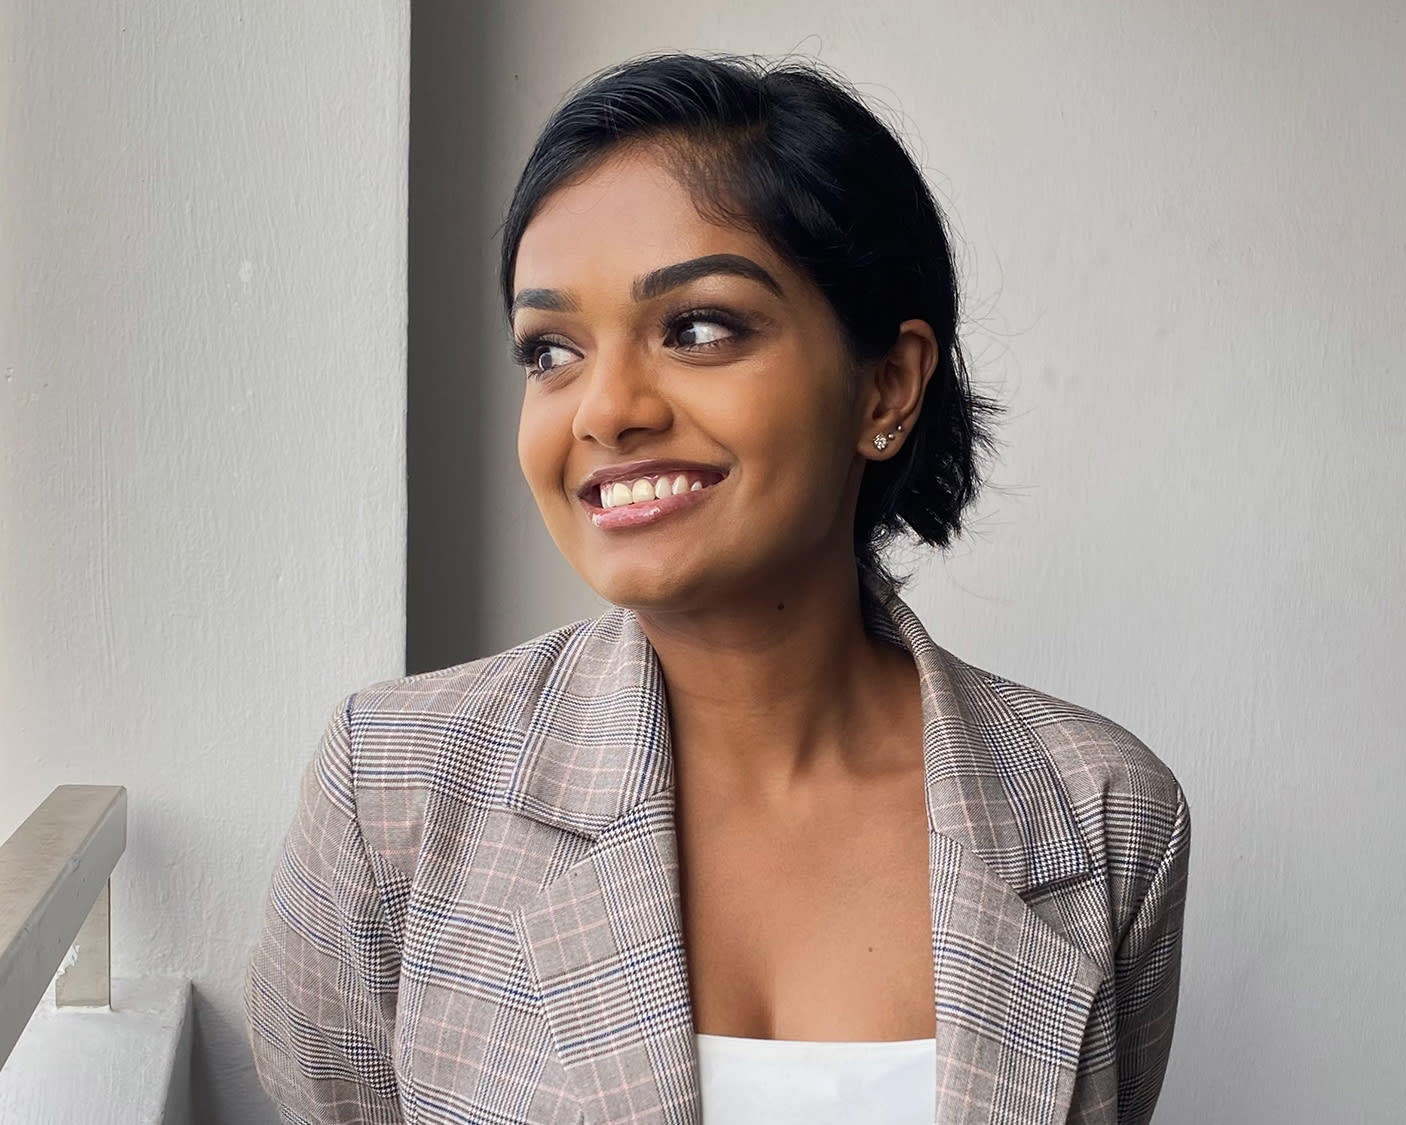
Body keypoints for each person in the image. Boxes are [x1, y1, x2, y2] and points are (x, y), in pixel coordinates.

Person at [245, 52, 1190, 1125]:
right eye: (549, 350)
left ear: (887, 386)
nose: (605, 409)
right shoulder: (393, 792)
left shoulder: (1104, 817)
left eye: (697, 329)